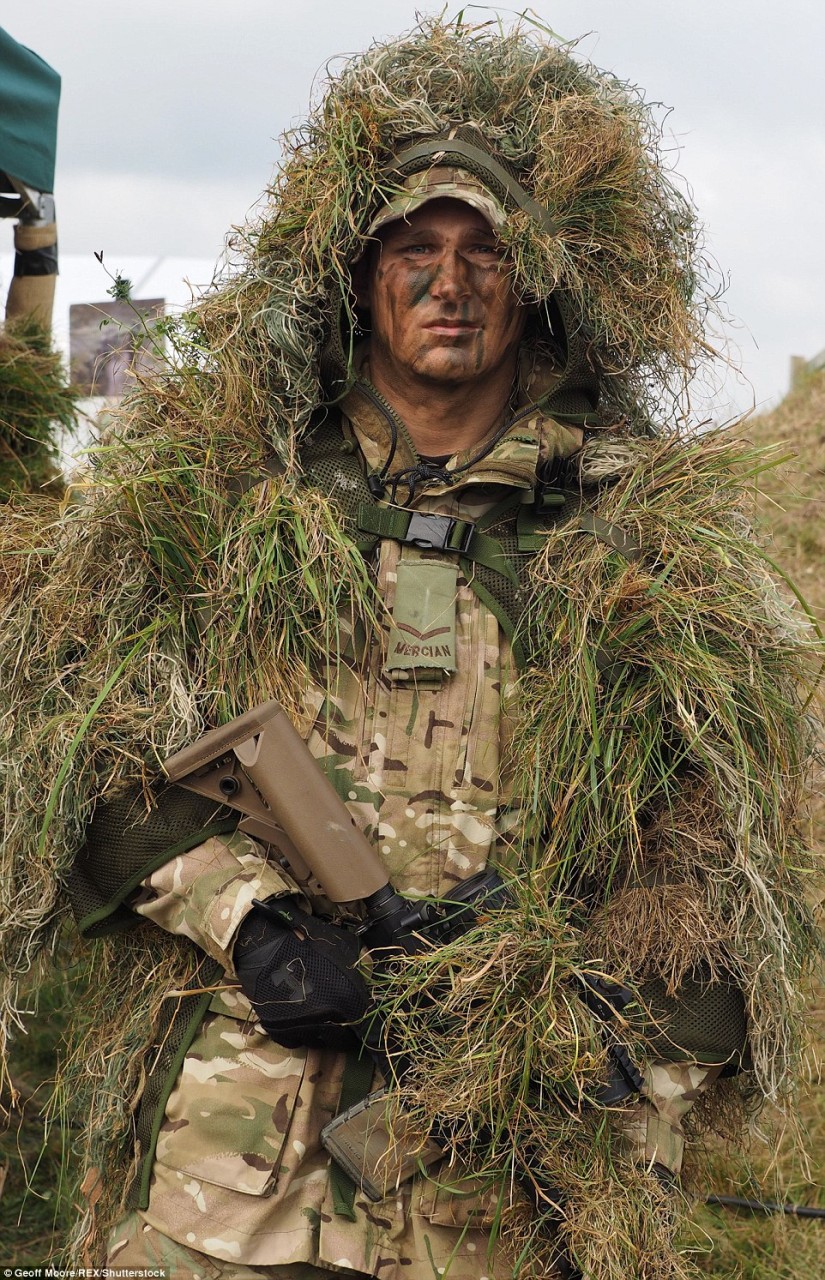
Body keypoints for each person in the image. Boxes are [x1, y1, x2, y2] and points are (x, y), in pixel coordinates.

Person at [0, 19, 817, 1280]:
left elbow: (741, 848)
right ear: (357, 278)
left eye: (487, 250)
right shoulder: (227, 500)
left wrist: (589, 1036)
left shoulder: (638, 535)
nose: (453, 283)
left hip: (504, 1183)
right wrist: (251, 919)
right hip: (229, 1178)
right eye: (415, 249)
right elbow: (79, 750)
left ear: (534, 282)